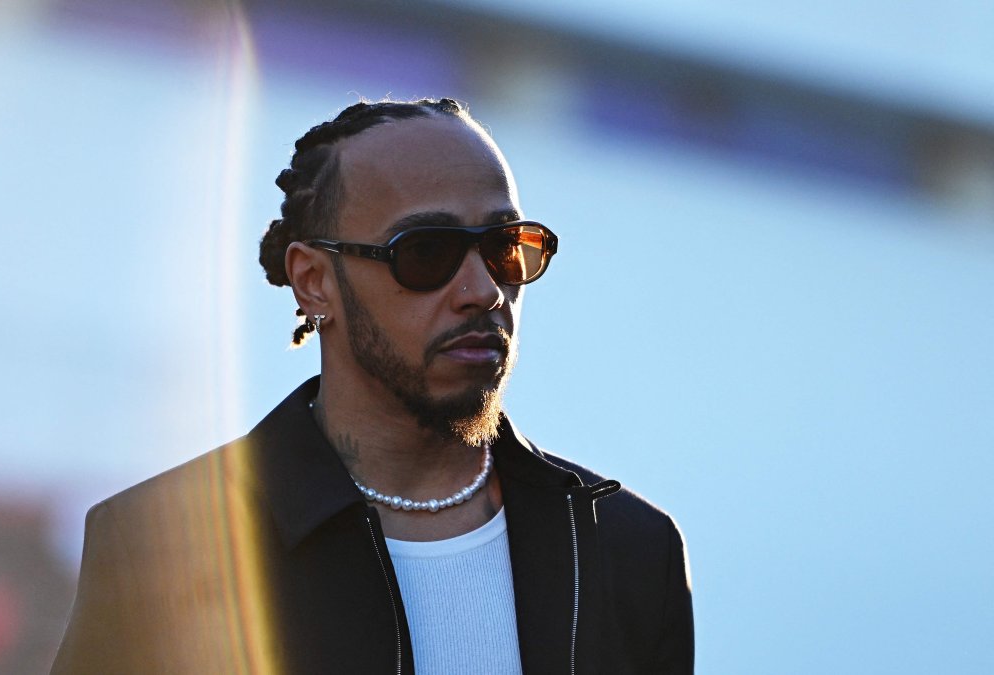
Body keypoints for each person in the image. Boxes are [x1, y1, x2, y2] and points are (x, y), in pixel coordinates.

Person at [51, 98, 693, 674]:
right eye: (425, 253)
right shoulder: (160, 548)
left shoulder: (625, 549)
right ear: (314, 281)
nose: (483, 290)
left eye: (505, 247)